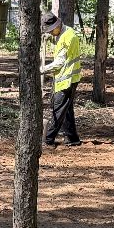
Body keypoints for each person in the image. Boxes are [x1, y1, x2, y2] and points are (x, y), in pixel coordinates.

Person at [40, 12, 83, 146]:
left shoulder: (68, 37)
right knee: (66, 109)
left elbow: (59, 62)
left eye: (52, 30)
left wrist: (42, 70)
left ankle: (48, 139)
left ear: (58, 25)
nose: (51, 33)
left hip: (68, 79)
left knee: (58, 109)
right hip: (66, 78)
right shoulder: (64, 32)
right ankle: (72, 138)